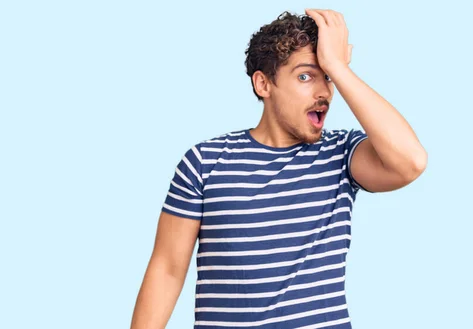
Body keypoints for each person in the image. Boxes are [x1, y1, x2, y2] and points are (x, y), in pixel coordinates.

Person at [130, 8, 427, 329]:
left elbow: (409, 162)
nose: (324, 91)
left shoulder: (340, 154)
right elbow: (168, 269)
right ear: (263, 84)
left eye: (325, 77)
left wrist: (339, 67)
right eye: (305, 76)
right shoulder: (205, 161)